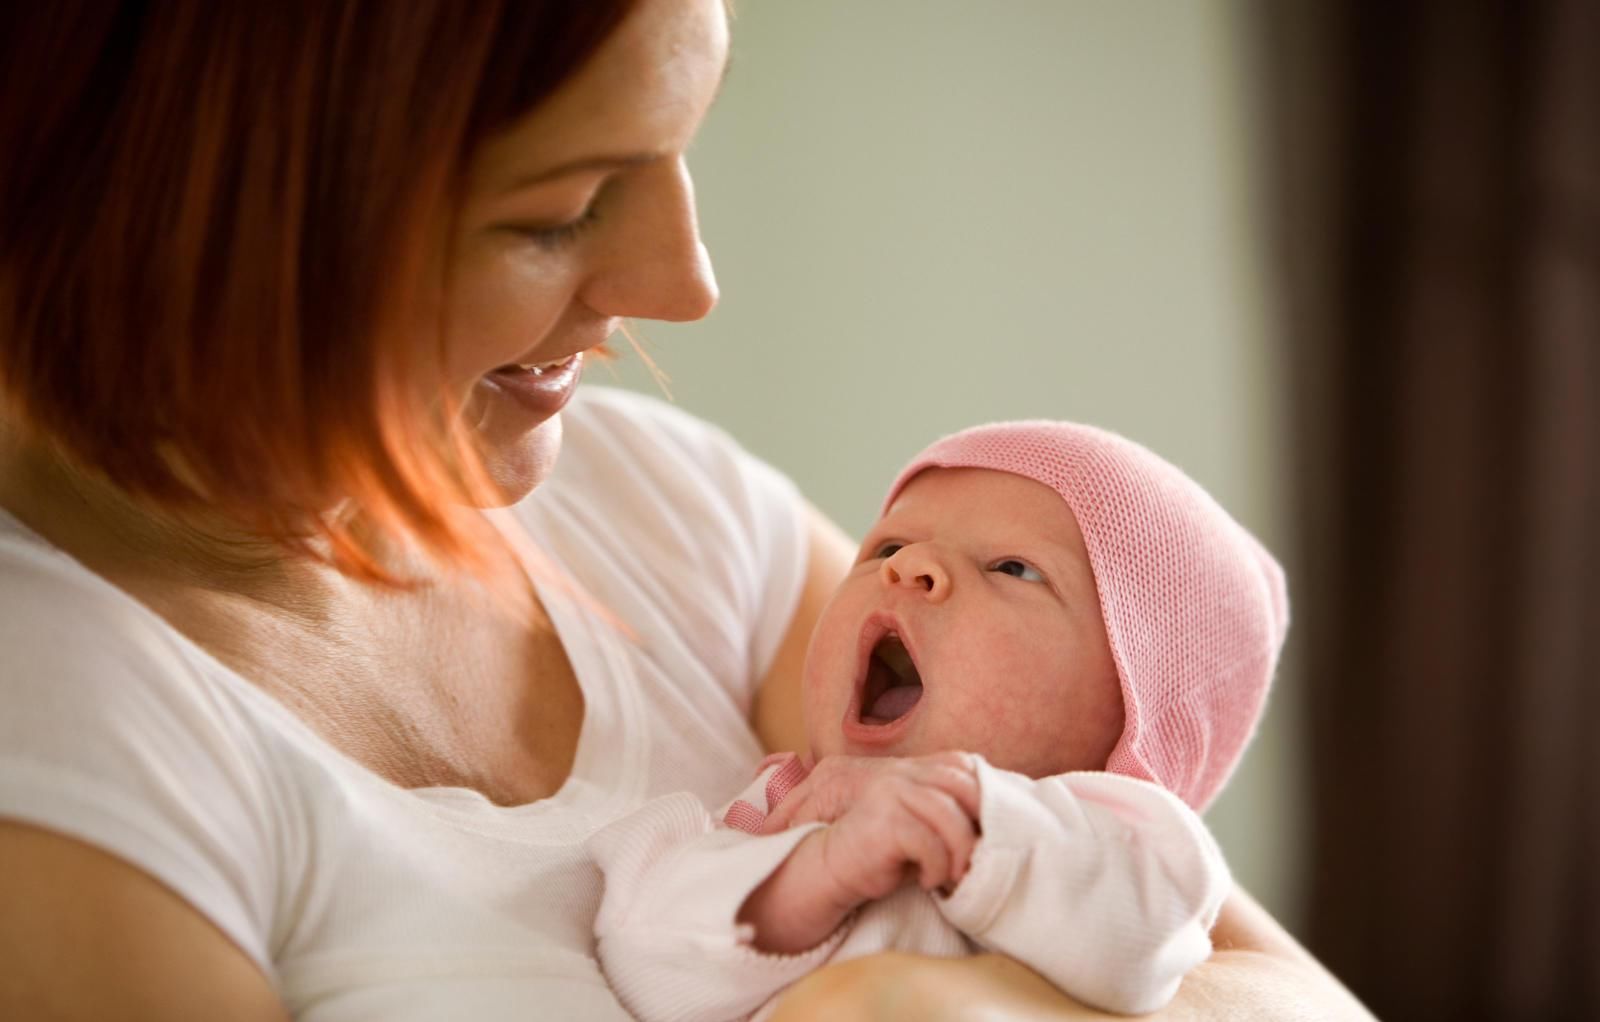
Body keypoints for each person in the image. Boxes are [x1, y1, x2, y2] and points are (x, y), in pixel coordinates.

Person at [0, 2, 1372, 1019]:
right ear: (205, 214)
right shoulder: (66, 736)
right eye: (565, 207)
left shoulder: (657, 501)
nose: (686, 281)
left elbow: (1296, 998)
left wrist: (913, 1007)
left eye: (675, 149)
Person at [588, 420, 1286, 1020]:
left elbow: (1145, 941)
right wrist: (806, 876)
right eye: (887, 549)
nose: (911, 567)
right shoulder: (776, 819)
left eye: (1013, 568)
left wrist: (972, 819)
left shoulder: (1133, 846)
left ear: (1133, 715)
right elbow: (644, 961)